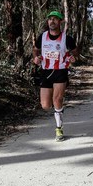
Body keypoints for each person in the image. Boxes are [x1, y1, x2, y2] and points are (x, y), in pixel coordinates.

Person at [32, 11, 78, 141]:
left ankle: (59, 128)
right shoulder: (42, 37)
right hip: (46, 72)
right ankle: (58, 111)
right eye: (50, 19)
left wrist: (72, 57)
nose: (52, 21)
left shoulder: (66, 38)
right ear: (48, 22)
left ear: (60, 22)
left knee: (57, 99)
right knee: (46, 105)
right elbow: (35, 49)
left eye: (55, 19)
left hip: (60, 71)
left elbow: (75, 51)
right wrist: (36, 57)